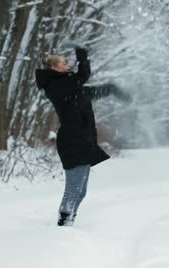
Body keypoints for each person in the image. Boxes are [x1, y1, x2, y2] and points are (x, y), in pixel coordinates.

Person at [35, 47, 128, 226]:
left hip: (82, 141)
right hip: (73, 141)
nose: (67, 65)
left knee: (81, 191)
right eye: (63, 63)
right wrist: (82, 56)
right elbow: (82, 76)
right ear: (54, 68)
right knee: (73, 190)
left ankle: (68, 224)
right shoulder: (57, 85)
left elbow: (90, 90)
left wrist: (111, 89)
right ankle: (63, 226)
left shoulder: (69, 86)